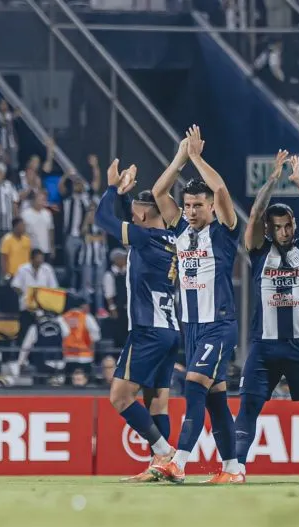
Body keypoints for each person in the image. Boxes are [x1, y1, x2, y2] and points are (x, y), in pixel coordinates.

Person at [233, 151, 299, 483]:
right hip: (263, 348)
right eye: (277, 227)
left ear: (294, 225)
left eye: (288, 225)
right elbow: (253, 216)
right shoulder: (258, 251)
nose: (283, 231)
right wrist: (271, 181)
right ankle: (236, 468)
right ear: (269, 229)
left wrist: (296, 180)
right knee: (248, 408)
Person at [150, 126, 241, 484]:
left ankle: (179, 462)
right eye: (187, 205)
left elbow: (220, 189)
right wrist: (180, 157)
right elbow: (159, 191)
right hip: (192, 327)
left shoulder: (224, 231)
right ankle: (232, 470)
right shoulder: (180, 231)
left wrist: (198, 158)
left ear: (211, 208)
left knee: (193, 385)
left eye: (197, 206)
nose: (189, 211)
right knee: (216, 400)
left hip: (218, 324)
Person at [94, 159, 181, 482]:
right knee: (157, 402)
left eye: (133, 212)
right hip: (170, 330)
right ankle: (159, 470)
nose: (130, 215)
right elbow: (128, 212)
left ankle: (163, 452)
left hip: (148, 330)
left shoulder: (144, 238)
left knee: (119, 396)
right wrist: (123, 194)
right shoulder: (170, 238)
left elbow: (102, 218)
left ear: (144, 215)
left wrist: (112, 188)